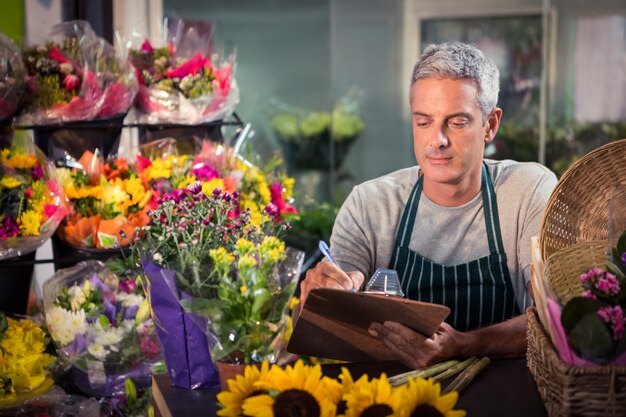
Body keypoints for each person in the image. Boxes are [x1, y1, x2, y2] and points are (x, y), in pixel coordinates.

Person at [297, 41, 557, 369]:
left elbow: (555, 317)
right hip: (394, 396)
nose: (437, 140)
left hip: (503, 392)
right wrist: (321, 294)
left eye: (457, 122)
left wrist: (467, 344)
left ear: (490, 124)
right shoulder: (370, 204)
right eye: (424, 122)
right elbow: (329, 317)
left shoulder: (527, 191)